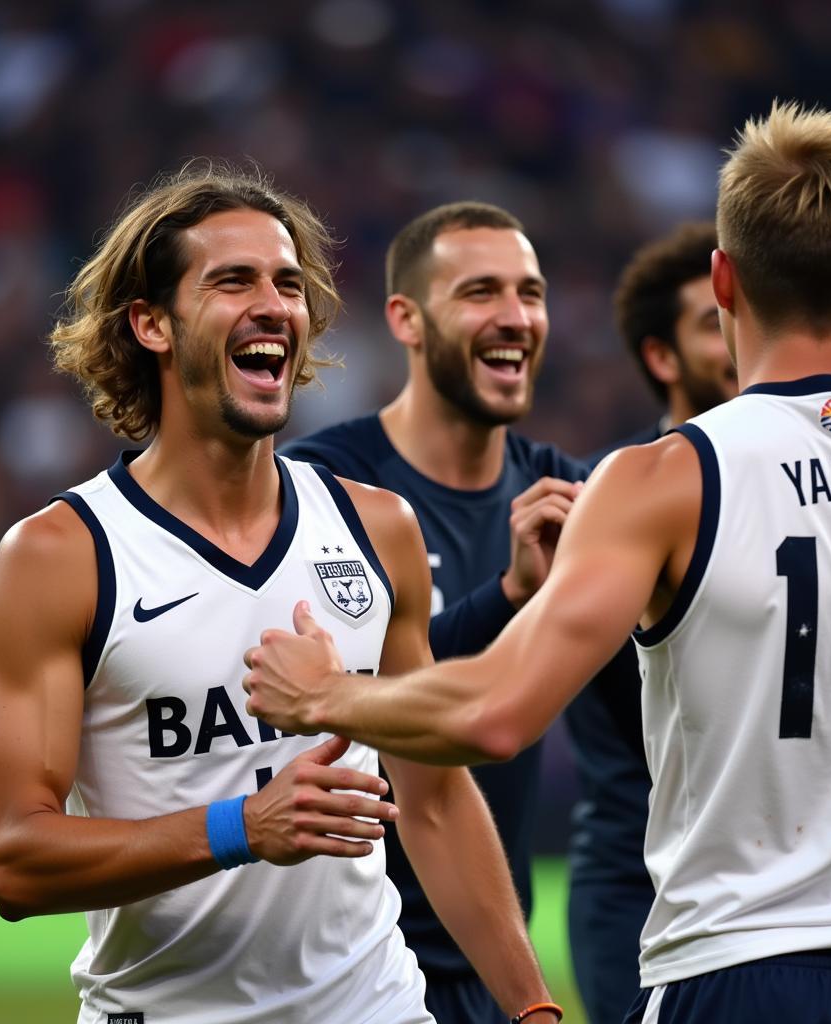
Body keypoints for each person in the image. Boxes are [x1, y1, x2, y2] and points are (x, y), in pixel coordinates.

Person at [243, 103, 831, 1023]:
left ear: (724, 281)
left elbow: (496, 714)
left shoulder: (664, 479)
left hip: (741, 965)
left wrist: (327, 694)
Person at [0, 162, 563, 1024]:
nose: (275, 305)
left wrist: (534, 1010)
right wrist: (240, 827)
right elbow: (13, 860)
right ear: (151, 324)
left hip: (379, 1006)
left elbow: (433, 800)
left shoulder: (376, 528)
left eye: (289, 283)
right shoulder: (60, 555)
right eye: (232, 280)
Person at [281, 200, 588, 1024]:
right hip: (348, 959)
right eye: (482, 292)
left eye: (531, 292)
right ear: (406, 321)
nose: (517, 317)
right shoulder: (324, 486)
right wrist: (509, 599)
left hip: (493, 946)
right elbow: (335, 691)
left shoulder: (570, 493)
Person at [564, 221, 736, 1023]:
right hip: (639, 872)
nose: (740, 339)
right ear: (661, 358)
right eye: (713, 324)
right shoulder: (616, 498)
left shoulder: (802, 485)